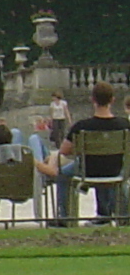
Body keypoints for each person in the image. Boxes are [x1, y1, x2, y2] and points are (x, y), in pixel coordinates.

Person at [50, 81, 127, 227]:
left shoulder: (82, 126)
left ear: (92, 99)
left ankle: (65, 217)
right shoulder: (124, 125)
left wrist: (81, 149)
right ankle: (108, 214)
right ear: (112, 100)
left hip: (88, 170)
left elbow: (64, 150)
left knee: (63, 174)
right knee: (107, 165)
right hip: (115, 169)